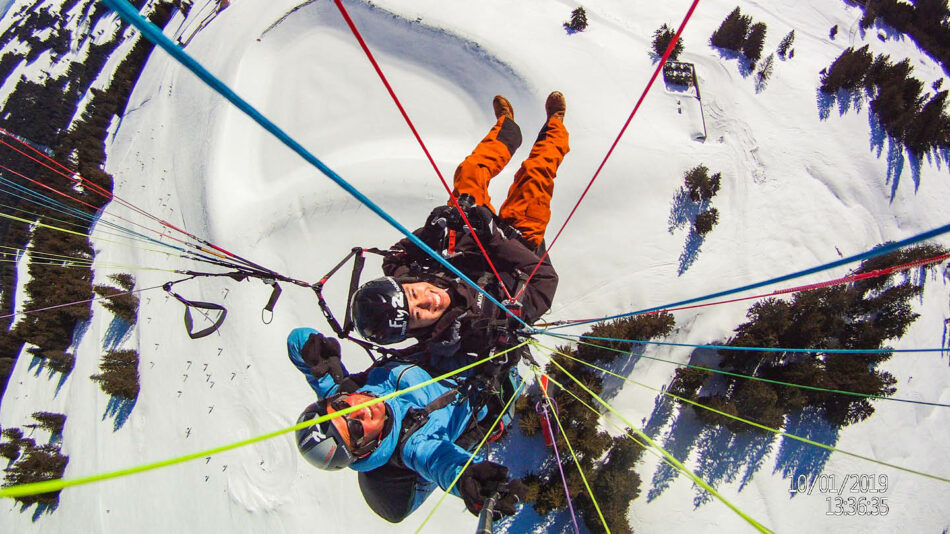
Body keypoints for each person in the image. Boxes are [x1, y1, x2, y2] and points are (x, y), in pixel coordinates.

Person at [349, 92, 569, 369]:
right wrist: (495, 239)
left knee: (470, 172)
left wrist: (430, 232)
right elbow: (544, 281)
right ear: (415, 330)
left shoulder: (404, 275)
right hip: (520, 246)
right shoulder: (475, 330)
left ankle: (507, 128)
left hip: (470, 231)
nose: (428, 300)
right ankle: (555, 125)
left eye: (414, 294)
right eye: (418, 315)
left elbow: (395, 256)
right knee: (537, 174)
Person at [287, 327, 526, 523]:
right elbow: (439, 462)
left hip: (457, 349)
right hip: (494, 383)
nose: (358, 411)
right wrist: (469, 479)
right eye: (356, 429)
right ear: (365, 448)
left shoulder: (349, 390)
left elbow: (297, 343)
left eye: (341, 408)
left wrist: (313, 352)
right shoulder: (413, 443)